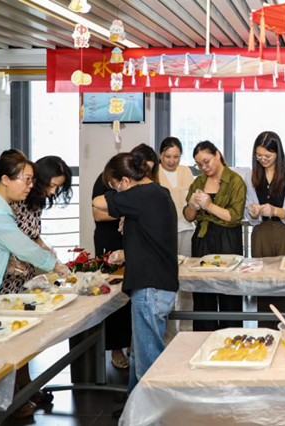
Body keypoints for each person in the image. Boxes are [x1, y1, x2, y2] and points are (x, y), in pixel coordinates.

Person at [92, 152, 178, 393]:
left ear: (125, 180)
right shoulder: (159, 193)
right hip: (159, 283)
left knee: (147, 362)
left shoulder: (141, 195)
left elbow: (97, 202)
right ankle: (134, 406)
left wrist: (118, 197)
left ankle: (149, 410)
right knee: (139, 355)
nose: (116, 190)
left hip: (151, 287)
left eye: (115, 185)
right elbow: (149, 238)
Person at [0, 153, 68, 313]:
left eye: (32, 180)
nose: (31, 185)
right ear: (5, 179)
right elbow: (23, 247)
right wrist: (55, 265)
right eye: (27, 179)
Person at [92, 144, 156, 370]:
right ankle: (115, 347)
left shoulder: (149, 188)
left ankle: (133, 343)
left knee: (133, 294)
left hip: (134, 242)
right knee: (113, 296)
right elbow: (98, 213)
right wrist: (125, 211)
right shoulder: (107, 180)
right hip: (110, 240)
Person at [183, 141, 246, 331]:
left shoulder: (235, 181)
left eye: (206, 161)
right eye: (199, 164)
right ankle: (204, 337)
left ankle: (231, 337)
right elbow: (188, 217)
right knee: (203, 294)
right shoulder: (198, 182)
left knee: (229, 293)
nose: (204, 167)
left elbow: (234, 217)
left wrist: (209, 206)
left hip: (228, 238)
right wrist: (192, 206)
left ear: (217, 155)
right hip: (203, 237)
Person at [245, 131, 285, 326]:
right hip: (261, 233)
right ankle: (266, 329)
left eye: (267, 156)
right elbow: (249, 210)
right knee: (263, 283)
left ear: (278, 153)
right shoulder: (251, 176)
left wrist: (274, 210)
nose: (263, 160)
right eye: (258, 156)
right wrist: (253, 211)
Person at [0, 156, 73, 295]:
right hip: (4, 273)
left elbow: (32, 235)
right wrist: (52, 263)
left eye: (58, 187)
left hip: (25, 273)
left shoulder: (37, 202)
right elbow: (15, 240)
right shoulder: (13, 200)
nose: (53, 192)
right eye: (51, 185)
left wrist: (45, 248)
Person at [156, 137, 195, 339]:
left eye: (176, 156)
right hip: (164, 233)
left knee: (187, 279)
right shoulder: (154, 172)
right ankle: (169, 332)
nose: (172, 161)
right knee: (167, 281)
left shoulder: (186, 171)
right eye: (168, 156)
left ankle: (188, 328)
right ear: (160, 155)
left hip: (186, 229)